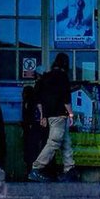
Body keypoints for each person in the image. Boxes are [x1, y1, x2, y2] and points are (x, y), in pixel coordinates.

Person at [27, 53, 77, 182]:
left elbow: (40, 99)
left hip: (50, 115)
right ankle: (36, 167)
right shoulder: (63, 77)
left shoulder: (46, 77)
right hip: (60, 114)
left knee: (66, 142)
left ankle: (69, 168)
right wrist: (71, 114)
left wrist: (43, 116)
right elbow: (66, 99)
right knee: (54, 142)